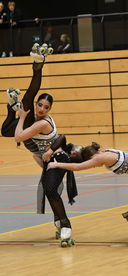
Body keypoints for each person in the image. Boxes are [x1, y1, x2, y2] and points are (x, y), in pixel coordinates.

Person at [1, 45, 77, 246]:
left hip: (57, 159)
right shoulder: (35, 117)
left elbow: (17, 137)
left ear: (50, 109)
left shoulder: (42, 122)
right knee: (51, 190)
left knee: (50, 190)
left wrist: (22, 116)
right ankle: (14, 102)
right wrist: (21, 115)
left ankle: (66, 225)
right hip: (43, 155)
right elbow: (5, 133)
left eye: (45, 107)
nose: (41, 108)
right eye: (40, 105)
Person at [46, 142, 128, 247]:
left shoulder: (100, 157)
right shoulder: (105, 152)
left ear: (91, 158)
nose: (94, 166)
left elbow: (79, 167)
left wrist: (57, 164)